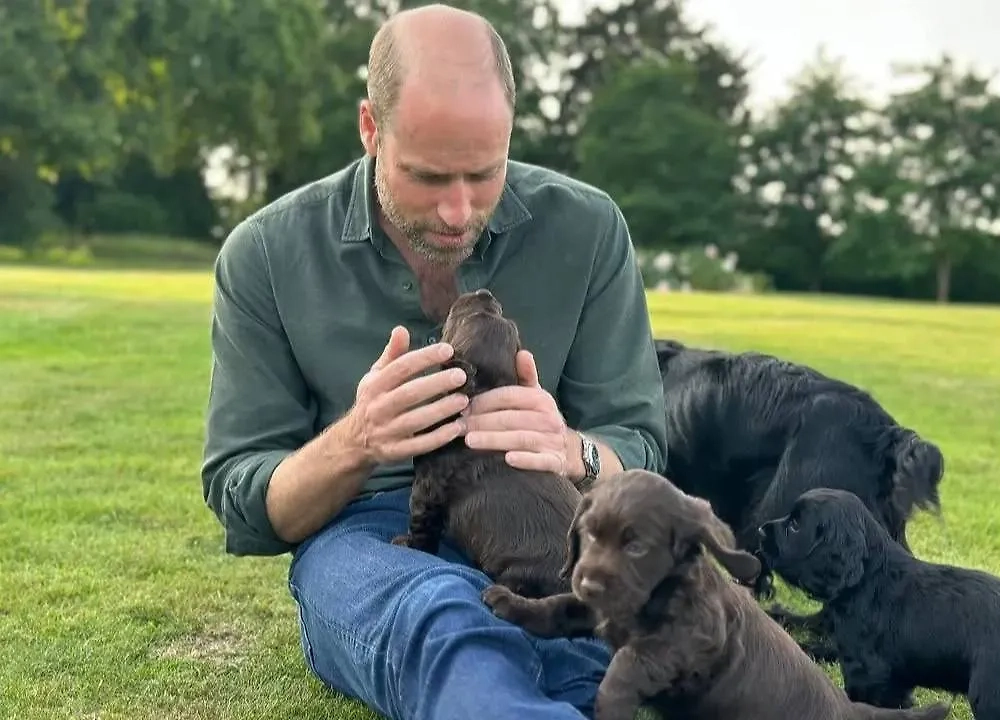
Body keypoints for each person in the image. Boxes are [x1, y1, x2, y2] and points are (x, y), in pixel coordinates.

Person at [200, 4, 667, 719]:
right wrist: (356, 442)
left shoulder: (588, 227)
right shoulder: (265, 254)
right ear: (369, 128)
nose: (457, 211)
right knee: (444, 622)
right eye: (426, 177)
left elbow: (639, 447)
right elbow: (245, 496)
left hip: (543, 519)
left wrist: (574, 451)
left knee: (584, 652)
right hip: (370, 530)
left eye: (484, 175)